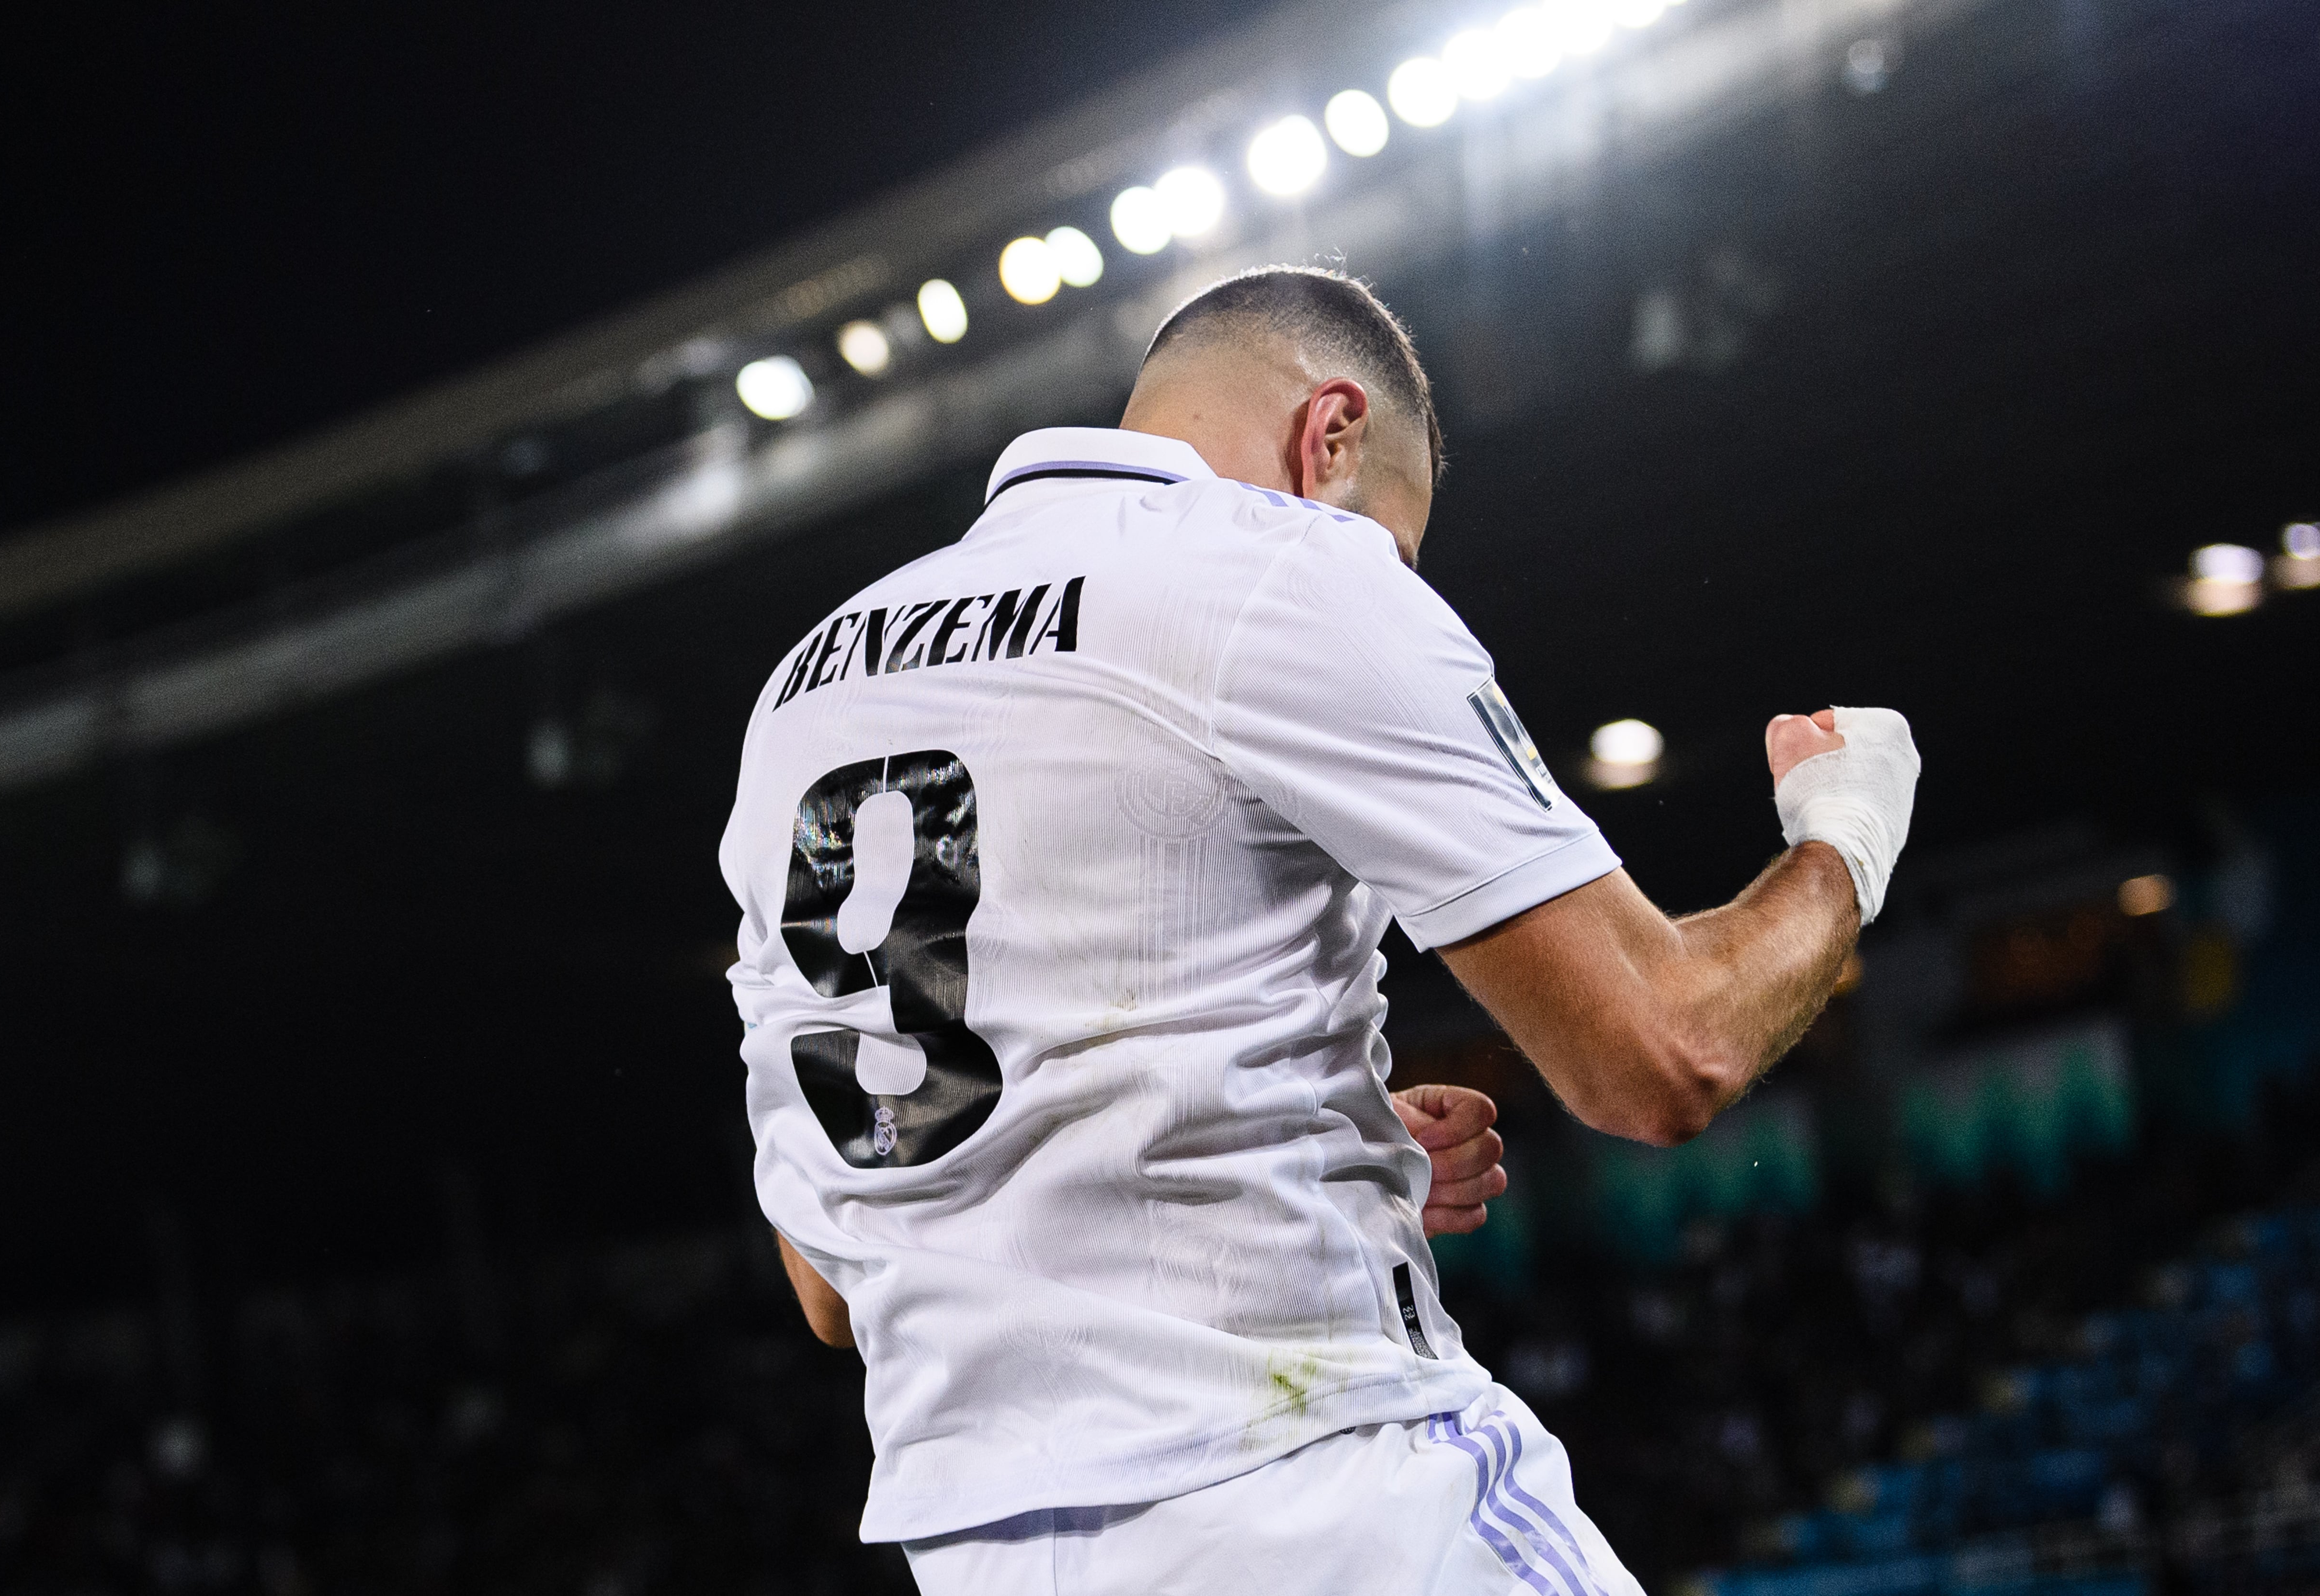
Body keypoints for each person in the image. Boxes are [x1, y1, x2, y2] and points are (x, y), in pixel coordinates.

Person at [717, 265, 1919, 1594]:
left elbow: (840, 1269)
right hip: (1326, 1504)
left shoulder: (804, 693)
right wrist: (1845, 838)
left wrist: (1253, 1114)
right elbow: (1665, 1053)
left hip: (982, 1553)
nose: (1393, 576)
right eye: (1399, 548)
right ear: (1330, 436)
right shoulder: (1278, 571)